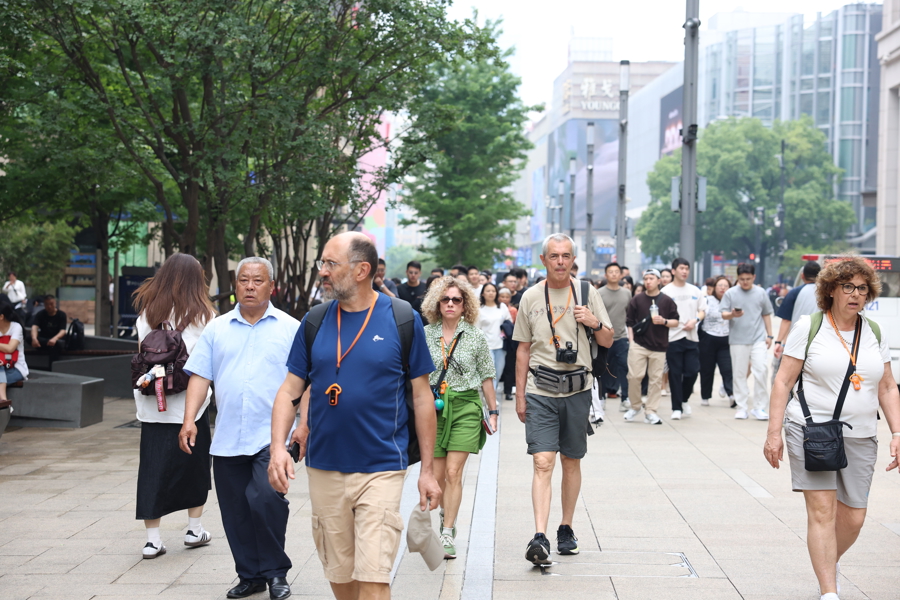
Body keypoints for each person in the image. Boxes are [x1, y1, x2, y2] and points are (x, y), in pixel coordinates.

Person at [267, 233, 440, 600]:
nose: (322, 272)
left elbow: (423, 398)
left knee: (374, 578)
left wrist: (427, 471)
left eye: (331, 264)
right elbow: (289, 390)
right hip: (324, 466)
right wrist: (277, 449)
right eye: (322, 263)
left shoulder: (402, 319)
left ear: (362, 270)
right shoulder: (314, 321)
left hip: (381, 466)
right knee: (342, 578)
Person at [764, 256, 900, 600]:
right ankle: (829, 590)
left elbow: (887, 387)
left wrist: (897, 433)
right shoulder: (809, 327)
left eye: (862, 288)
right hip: (812, 432)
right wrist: (773, 433)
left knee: (854, 516)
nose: (855, 294)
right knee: (823, 511)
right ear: (831, 291)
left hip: (862, 434)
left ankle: (825, 559)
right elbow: (783, 381)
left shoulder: (874, 332)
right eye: (848, 287)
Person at [179, 257, 299, 600]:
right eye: (244, 280)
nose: (250, 286)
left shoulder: (290, 328)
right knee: (235, 510)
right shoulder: (217, 329)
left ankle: (276, 573)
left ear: (271, 287)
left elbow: (305, 382)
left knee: (265, 499)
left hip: (271, 439)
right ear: (236, 286)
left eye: (257, 281)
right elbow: (200, 377)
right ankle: (250, 575)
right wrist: (189, 420)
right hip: (228, 438)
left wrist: (303, 426)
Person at [513, 233, 612, 565]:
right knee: (543, 461)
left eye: (565, 256)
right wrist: (520, 395)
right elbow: (523, 350)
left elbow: (609, 340)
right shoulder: (530, 296)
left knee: (571, 460)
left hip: (577, 390)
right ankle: (539, 534)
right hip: (541, 391)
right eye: (553, 256)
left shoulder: (587, 292)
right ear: (543, 260)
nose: (559, 261)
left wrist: (594, 321)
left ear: (573, 260)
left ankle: (565, 527)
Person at [132, 254, 217, 559]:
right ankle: (194, 529)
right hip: (189, 410)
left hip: (154, 407)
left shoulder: (147, 313)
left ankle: (152, 539)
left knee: (152, 471)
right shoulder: (205, 316)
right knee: (194, 468)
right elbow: (206, 365)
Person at [421, 276, 498, 559]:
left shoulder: (475, 336)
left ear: (465, 304)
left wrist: (493, 410)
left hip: (466, 406)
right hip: (433, 410)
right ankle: (444, 514)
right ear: (437, 304)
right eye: (445, 299)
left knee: (454, 472)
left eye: (456, 299)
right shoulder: (426, 334)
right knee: (438, 475)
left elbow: (487, 375)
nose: (451, 304)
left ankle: (448, 530)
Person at [623, 269, 679, 425]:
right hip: (639, 344)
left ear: (659, 281)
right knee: (634, 376)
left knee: (655, 380)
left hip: (659, 345)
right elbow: (629, 322)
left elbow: (676, 321)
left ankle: (651, 411)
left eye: (652, 278)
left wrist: (664, 321)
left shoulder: (667, 301)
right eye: (646, 278)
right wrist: (632, 340)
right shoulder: (637, 299)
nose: (648, 281)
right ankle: (635, 406)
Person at [720, 263, 774, 420]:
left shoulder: (761, 293)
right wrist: (732, 315)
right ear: (738, 278)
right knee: (739, 373)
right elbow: (723, 314)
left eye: (748, 279)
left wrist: (770, 335)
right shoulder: (730, 293)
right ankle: (742, 406)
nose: (745, 282)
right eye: (742, 279)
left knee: (761, 370)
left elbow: (766, 314)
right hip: (737, 339)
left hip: (758, 338)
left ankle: (759, 407)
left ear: (754, 277)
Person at [662, 258, 706, 420]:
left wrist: (695, 320)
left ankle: (684, 399)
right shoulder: (666, 292)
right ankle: (676, 408)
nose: (684, 271)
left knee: (692, 372)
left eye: (687, 268)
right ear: (673, 271)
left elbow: (703, 310)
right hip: (673, 337)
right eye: (681, 268)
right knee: (675, 373)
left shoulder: (695, 291)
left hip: (692, 337)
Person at [773, 261, 821, 377]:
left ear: (802, 276)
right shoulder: (828, 293)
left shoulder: (794, 293)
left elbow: (786, 320)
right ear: (820, 275)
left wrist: (778, 342)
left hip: (797, 343)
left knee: (787, 377)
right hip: (820, 343)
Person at [598, 263, 631, 413]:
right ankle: (601, 398)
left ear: (620, 275)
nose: (613, 274)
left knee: (624, 367)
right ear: (605, 275)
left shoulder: (627, 293)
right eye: (610, 272)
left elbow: (629, 315)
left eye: (616, 272)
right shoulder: (599, 293)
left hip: (621, 337)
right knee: (603, 369)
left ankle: (625, 398)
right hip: (604, 337)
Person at [699, 276, 734, 407]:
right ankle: (705, 396)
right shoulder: (707, 300)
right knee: (707, 369)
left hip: (726, 338)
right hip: (708, 337)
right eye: (720, 285)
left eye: (726, 285)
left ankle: (731, 394)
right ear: (714, 287)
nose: (723, 288)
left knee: (727, 368)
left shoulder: (732, 301)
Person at [477, 282, 512, 391]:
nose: (491, 293)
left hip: (501, 345)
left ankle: (491, 395)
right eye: (488, 291)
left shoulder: (502, 307)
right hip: (486, 346)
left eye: (493, 291)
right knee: (489, 373)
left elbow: (509, 321)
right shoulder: (479, 309)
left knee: (498, 371)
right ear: (483, 294)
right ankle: (491, 399)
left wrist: (505, 329)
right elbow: (476, 329)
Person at [0, 302, 28, 403]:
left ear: (1, 317)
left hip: (16, 368)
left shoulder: (16, 327)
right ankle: (4, 402)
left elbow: (10, 348)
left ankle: (3, 403)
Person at [30, 295, 67, 361]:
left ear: (55, 303)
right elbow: (34, 327)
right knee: (29, 339)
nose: (49, 306)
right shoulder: (40, 314)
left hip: (56, 341)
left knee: (54, 346)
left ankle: (52, 368)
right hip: (44, 340)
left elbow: (63, 331)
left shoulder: (61, 315)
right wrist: (34, 338)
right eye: (46, 304)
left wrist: (55, 339)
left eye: (51, 304)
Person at [498, 287, 518, 402]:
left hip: (510, 340)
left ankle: (508, 391)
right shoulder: (496, 309)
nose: (504, 299)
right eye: (502, 297)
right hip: (497, 341)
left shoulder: (513, 311)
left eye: (507, 297)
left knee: (510, 367)